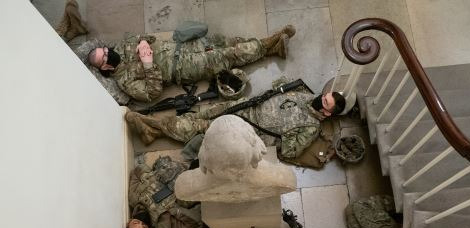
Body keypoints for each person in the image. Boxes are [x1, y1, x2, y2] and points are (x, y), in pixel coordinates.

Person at [126, 84, 346, 160]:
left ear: (326, 114)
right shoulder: (305, 93)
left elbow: (289, 151)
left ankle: (150, 124)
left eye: (324, 103)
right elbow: (279, 87)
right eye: (324, 95)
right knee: (200, 116)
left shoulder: (311, 127)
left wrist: (282, 131)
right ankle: (154, 133)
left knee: (197, 126)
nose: (320, 98)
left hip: (245, 128)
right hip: (243, 105)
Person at [86, 26, 296, 103]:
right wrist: (149, 64)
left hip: (181, 46)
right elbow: (152, 93)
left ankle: (273, 48)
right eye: (103, 57)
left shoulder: (121, 47)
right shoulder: (125, 81)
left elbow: (144, 36)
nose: (108, 53)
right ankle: (271, 41)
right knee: (227, 55)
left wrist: (142, 41)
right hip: (183, 68)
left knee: (227, 42)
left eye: (104, 49)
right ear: (104, 68)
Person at [126, 156, 202, 228]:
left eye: (136, 222)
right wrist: (175, 211)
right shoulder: (162, 225)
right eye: (144, 227)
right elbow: (194, 226)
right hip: (195, 182)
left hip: (180, 165)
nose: (142, 222)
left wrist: (151, 175)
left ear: (129, 222)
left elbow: (137, 171)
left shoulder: (133, 198)